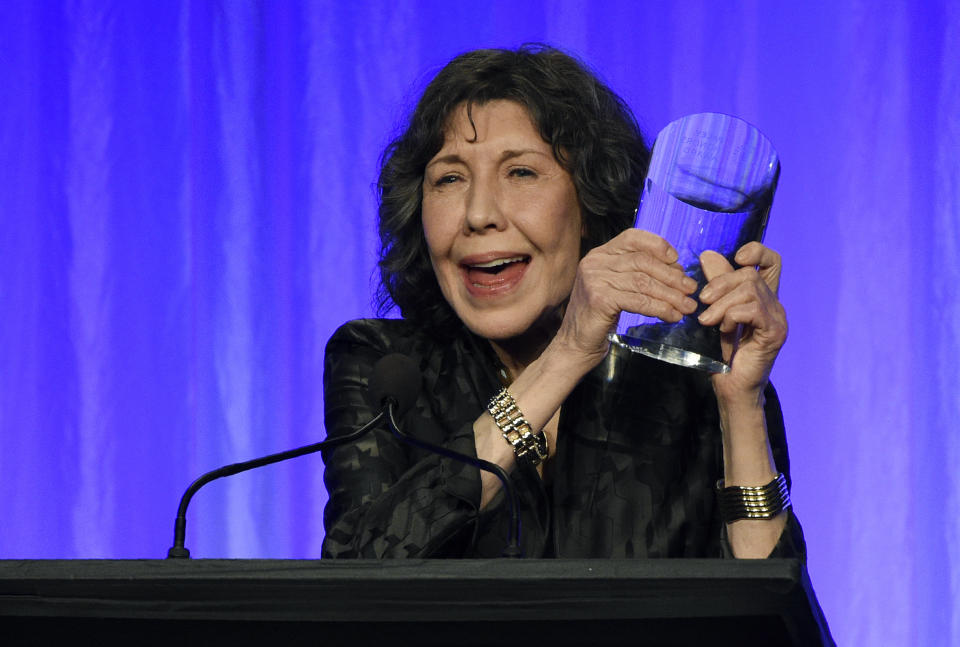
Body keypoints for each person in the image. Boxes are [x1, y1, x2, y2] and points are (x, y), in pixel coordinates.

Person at [321, 44, 804, 560]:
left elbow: (767, 611)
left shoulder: (689, 386)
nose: (479, 214)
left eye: (521, 172)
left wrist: (740, 405)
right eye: (449, 178)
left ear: (592, 204)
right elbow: (357, 573)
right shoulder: (383, 367)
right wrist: (567, 354)